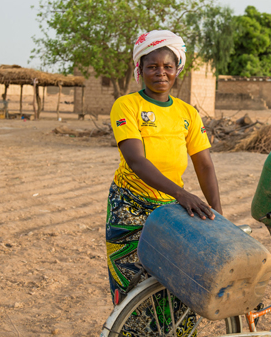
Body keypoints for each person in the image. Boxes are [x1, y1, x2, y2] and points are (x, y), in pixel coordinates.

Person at [106, 30, 221, 308]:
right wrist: (182, 194)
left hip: (170, 210)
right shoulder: (127, 105)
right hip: (130, 208)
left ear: (177, 70)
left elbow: (204, 164)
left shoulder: (187, 113)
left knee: (180, 287)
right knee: (134, 291)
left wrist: (219, 215)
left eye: (168, 66)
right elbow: (137, 161)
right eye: (152, 66)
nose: (161, 73)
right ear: (140, 70)